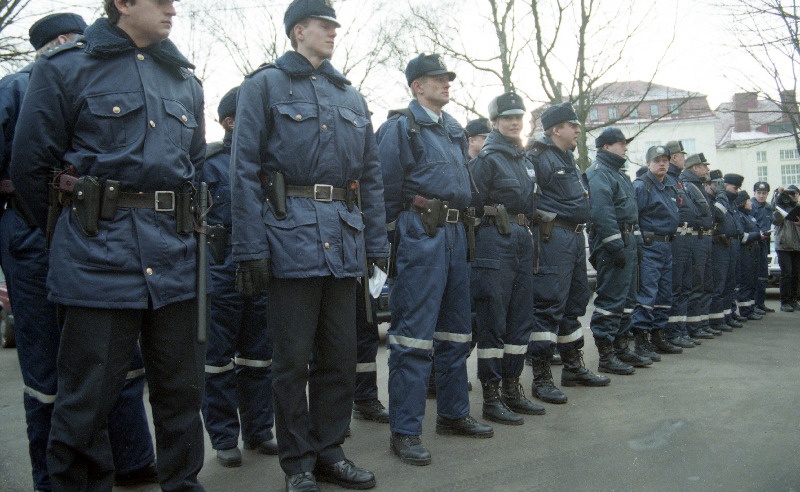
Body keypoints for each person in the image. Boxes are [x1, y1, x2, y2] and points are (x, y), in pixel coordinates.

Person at [10, 1, 207, 489]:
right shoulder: (65, 69)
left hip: (175, 255)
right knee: (87, 400)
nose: (172, 10)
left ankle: (183, 483)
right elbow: (31, 167)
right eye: (160, 1)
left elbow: (198, 169)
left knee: (182, 393)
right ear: (123, 3)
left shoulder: (185, 80)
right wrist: (79, 233)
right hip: (97, 256)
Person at [230, 1, 388, 489]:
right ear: (299, 30)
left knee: (340, 357)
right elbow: (243, 172)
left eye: (336, 27)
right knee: (291, 361)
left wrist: (377, 247)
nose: (333, 33)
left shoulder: (351, 96)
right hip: (287, 239)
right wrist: (250, 248)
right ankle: (297, 463)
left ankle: (330, 451)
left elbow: (372, 178)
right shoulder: (264, 86)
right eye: (325, 26)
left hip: (343, 242)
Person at [376, 52, 493, 467]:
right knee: (412, 337)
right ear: (416, 86)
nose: (446, 84)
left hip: (456, 234)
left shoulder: (453, 131)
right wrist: (390, 244)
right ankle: (405, 431)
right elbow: (384, 190)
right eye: (436, 79)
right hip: (419, 234)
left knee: (456, 332)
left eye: (447, 79)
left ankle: (453, 413)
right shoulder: (400, 128)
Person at [201, 87, 277, 468]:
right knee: (218, 360)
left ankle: (260, 431)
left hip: (261, 266)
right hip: (221, 268)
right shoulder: (209, 162)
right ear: (230, 122)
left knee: (259, 355)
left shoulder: (266, 161)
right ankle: (224, 436)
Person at [469, 91, 545, 425]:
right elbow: (472, 206)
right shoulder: (486, 160)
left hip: (521, 239)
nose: (514, 122)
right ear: (495, 123)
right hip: (493, 240)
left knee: (520, 317)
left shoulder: (524, 160)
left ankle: (514, 388)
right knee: (493, 319)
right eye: (507, 118)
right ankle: (492, 395)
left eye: (519, 117)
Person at [526, 103, 608, 403]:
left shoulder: (567, 158)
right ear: (555, 129)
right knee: (547, 305)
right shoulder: (538, 156)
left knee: (574, 303)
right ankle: (541, 376)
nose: (577, 130)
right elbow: (528, 199)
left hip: (572, 238)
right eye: (572, 125)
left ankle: (573, 367)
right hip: (552, 238)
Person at [586, 128, 649, 375]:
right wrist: (614, 245)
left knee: (626, 299)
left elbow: (630, 213)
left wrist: (638, 243)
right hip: (613, 242)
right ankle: (606, 354)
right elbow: (602, 214)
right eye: (620, 144)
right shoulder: (599, 174)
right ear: (605, 147)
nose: (625, 148)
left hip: (627, 240)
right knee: (611, 299)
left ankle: (621, 348)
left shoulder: (618, 174)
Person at [630, 145, 680, 359]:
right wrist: (640, 244)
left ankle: (658, 336)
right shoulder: (642, 186)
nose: (662, 164)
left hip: (666, 245)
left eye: (665, 160)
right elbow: (634, 218)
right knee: (647, 293)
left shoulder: (669, 185)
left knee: (663, 293)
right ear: (649, 163)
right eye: (657, 160)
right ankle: (642, 340)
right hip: (649, 246)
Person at [704, 170, 739, 332]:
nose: (719, 187)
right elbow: (718, 214)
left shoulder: (723, 199)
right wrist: (721, 195)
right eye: (715, 184)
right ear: (708, 185)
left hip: (728, 244)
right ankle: (717, 319)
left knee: (728, 283)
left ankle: (726, 315)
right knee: (718, 283)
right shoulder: (712, 200)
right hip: (717, 244)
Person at [732, 188, 762, 320]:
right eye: (748, 200)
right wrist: (758, 235)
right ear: (743, 202)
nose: (751, 203)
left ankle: (751, 308)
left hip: (753, 252)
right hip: (745, 253)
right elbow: (743, 237)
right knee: (746, 281)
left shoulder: (749, 217)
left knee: (752, 281)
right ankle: (745, 310)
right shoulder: (740, 217)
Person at [773, 185, 800, 311]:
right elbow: (775, 221)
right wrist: (779, 198)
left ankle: (793, 300)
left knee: (796, 274)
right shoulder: (780, 207)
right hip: (784, 246)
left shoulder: (798, 208)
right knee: (787, 274)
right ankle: (785, 302)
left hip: (797, 246)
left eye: (796, 194)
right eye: (791, 194)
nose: (793, 196)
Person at [751, 181, 774, 313]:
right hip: (753, 244)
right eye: (759, 193)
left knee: (763, 275)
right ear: (754, 193)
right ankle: (753, 305)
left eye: (764, 193)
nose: (761, 195)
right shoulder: (751, 206)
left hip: (764, 243)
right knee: (754, 275)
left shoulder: (769, 208)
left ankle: (760, 303)